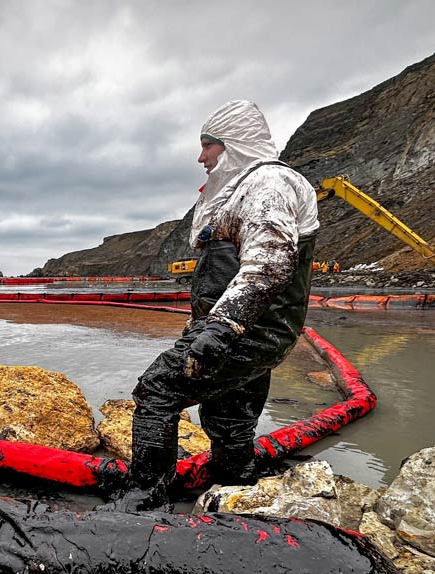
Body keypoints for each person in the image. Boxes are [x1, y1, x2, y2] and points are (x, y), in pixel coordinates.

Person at [123, 100, 319, 510]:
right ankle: (236, 478)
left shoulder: (268, 184)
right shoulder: (250, 188)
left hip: (244, 330)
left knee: (157, 390)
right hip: (261, 329)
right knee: (230, 413)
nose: (201, 157)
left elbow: (268, 263)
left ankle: (144, 500)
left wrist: (219, 329)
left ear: (233, 145)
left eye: (207, 145)